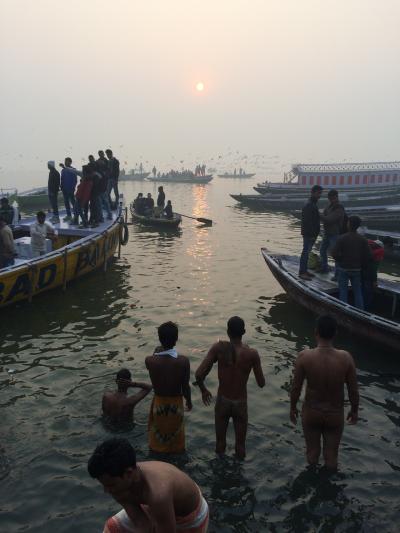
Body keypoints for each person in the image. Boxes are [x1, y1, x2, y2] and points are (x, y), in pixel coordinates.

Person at [88, 438, 209, 533]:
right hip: (157, 508)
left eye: (111, 485)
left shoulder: (158, 493)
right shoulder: (118, 486)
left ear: (129, 473)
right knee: (112, 527)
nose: (106, 491)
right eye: (104, 485)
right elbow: (142, 524)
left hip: (190, 516)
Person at [290, 315, 359, 470]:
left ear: (316, 332)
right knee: (332, 456)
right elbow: (353, 390)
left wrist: (292, 407)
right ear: (335, 333)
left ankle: (312, 483)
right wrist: (354, 410)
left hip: (312, 412)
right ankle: (329, 489)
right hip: (334, 414)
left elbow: (296, 388)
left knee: (312, 453)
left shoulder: (304, 357)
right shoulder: (346, 358)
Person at [194, 316, 265, 459]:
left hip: (223, 401)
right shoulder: (252, 354)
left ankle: (219, 472)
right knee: (240, 446)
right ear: (244, 332)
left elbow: (198, 374)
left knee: (220, 443)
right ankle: (238, 477)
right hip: (240, 403)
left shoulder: (219, 348)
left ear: (227, 332)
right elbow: (261, 383)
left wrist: (204, 390)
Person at [145, 321, 192, 454]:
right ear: (176, 339)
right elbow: (185, 386)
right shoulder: (183, 361)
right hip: (176, 404)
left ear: (159, 339)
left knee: (157, 439)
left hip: (158, 403)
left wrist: (156, 352)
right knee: (176, 440)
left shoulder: (150, 360)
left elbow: (154, 361)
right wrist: (189, 401)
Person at [331, 215, 372, 310]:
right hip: (357, 269)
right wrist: (361, 263)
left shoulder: (342, 238)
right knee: (358, 292)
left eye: (348, 222)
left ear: (349, 225)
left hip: (343, 268)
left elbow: (334, 253)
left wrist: (340, 260)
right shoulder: (362, 239)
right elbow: (369, 255)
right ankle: (360, 311)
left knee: (343, 292)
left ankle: (344, 311)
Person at [318, 189, 346, 278]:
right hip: (327, 233)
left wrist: (318, 214)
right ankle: (324, 268)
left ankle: (337, 275)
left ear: (336, 197)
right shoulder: (329, 206)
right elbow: (325, 215)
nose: (331, 200)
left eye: (333, 198)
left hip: (335, 234)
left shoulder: (339, 208)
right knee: (322, 250)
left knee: (336, 255)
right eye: (330, 198)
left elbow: (329, 219)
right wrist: (322, 216)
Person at [299, 184, 323, 280]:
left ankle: (304, 270)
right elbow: (308, 222)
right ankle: (302, 272)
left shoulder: (312, 203)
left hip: (310, 233)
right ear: (312, 193)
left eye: (320, 193)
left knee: (307, 252)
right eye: (318, 193)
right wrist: (312, 234)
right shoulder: (309, 205)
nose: (319, 195)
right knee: (305, 252)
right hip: (309, 234)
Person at [362, 239, 384, 311]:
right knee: (369, 293)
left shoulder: (366, 248)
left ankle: (360, 307)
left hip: (361, 273)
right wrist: (374, 281)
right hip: (368, 276)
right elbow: (373, 269)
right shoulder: (379, 252)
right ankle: (366, 309)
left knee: (362, 291)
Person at [96, 151, 112, 221]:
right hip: (99, 186)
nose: (100, 155)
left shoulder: (106, 161)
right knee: (100, 203)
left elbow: (108, 171)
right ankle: (101, 217)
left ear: (103, 154)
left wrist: (105, 175)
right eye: (99, 154)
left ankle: (110, 215)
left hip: (104, 185)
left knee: (105, 202)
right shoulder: (98, 161)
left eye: (101, 154)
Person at [60, 157, 77, 222]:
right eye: (65, 161)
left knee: (73, 202)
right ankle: (69, 215)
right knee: (66, 202)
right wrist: (61, 186)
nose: (65, 162)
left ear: (70, 162)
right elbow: (62, 179)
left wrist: (73, 188)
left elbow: (75, 180)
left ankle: (76, 215)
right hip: (64, 189)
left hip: (71, 189)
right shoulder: (63, 170)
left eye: (67, 161)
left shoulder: (73, 170)